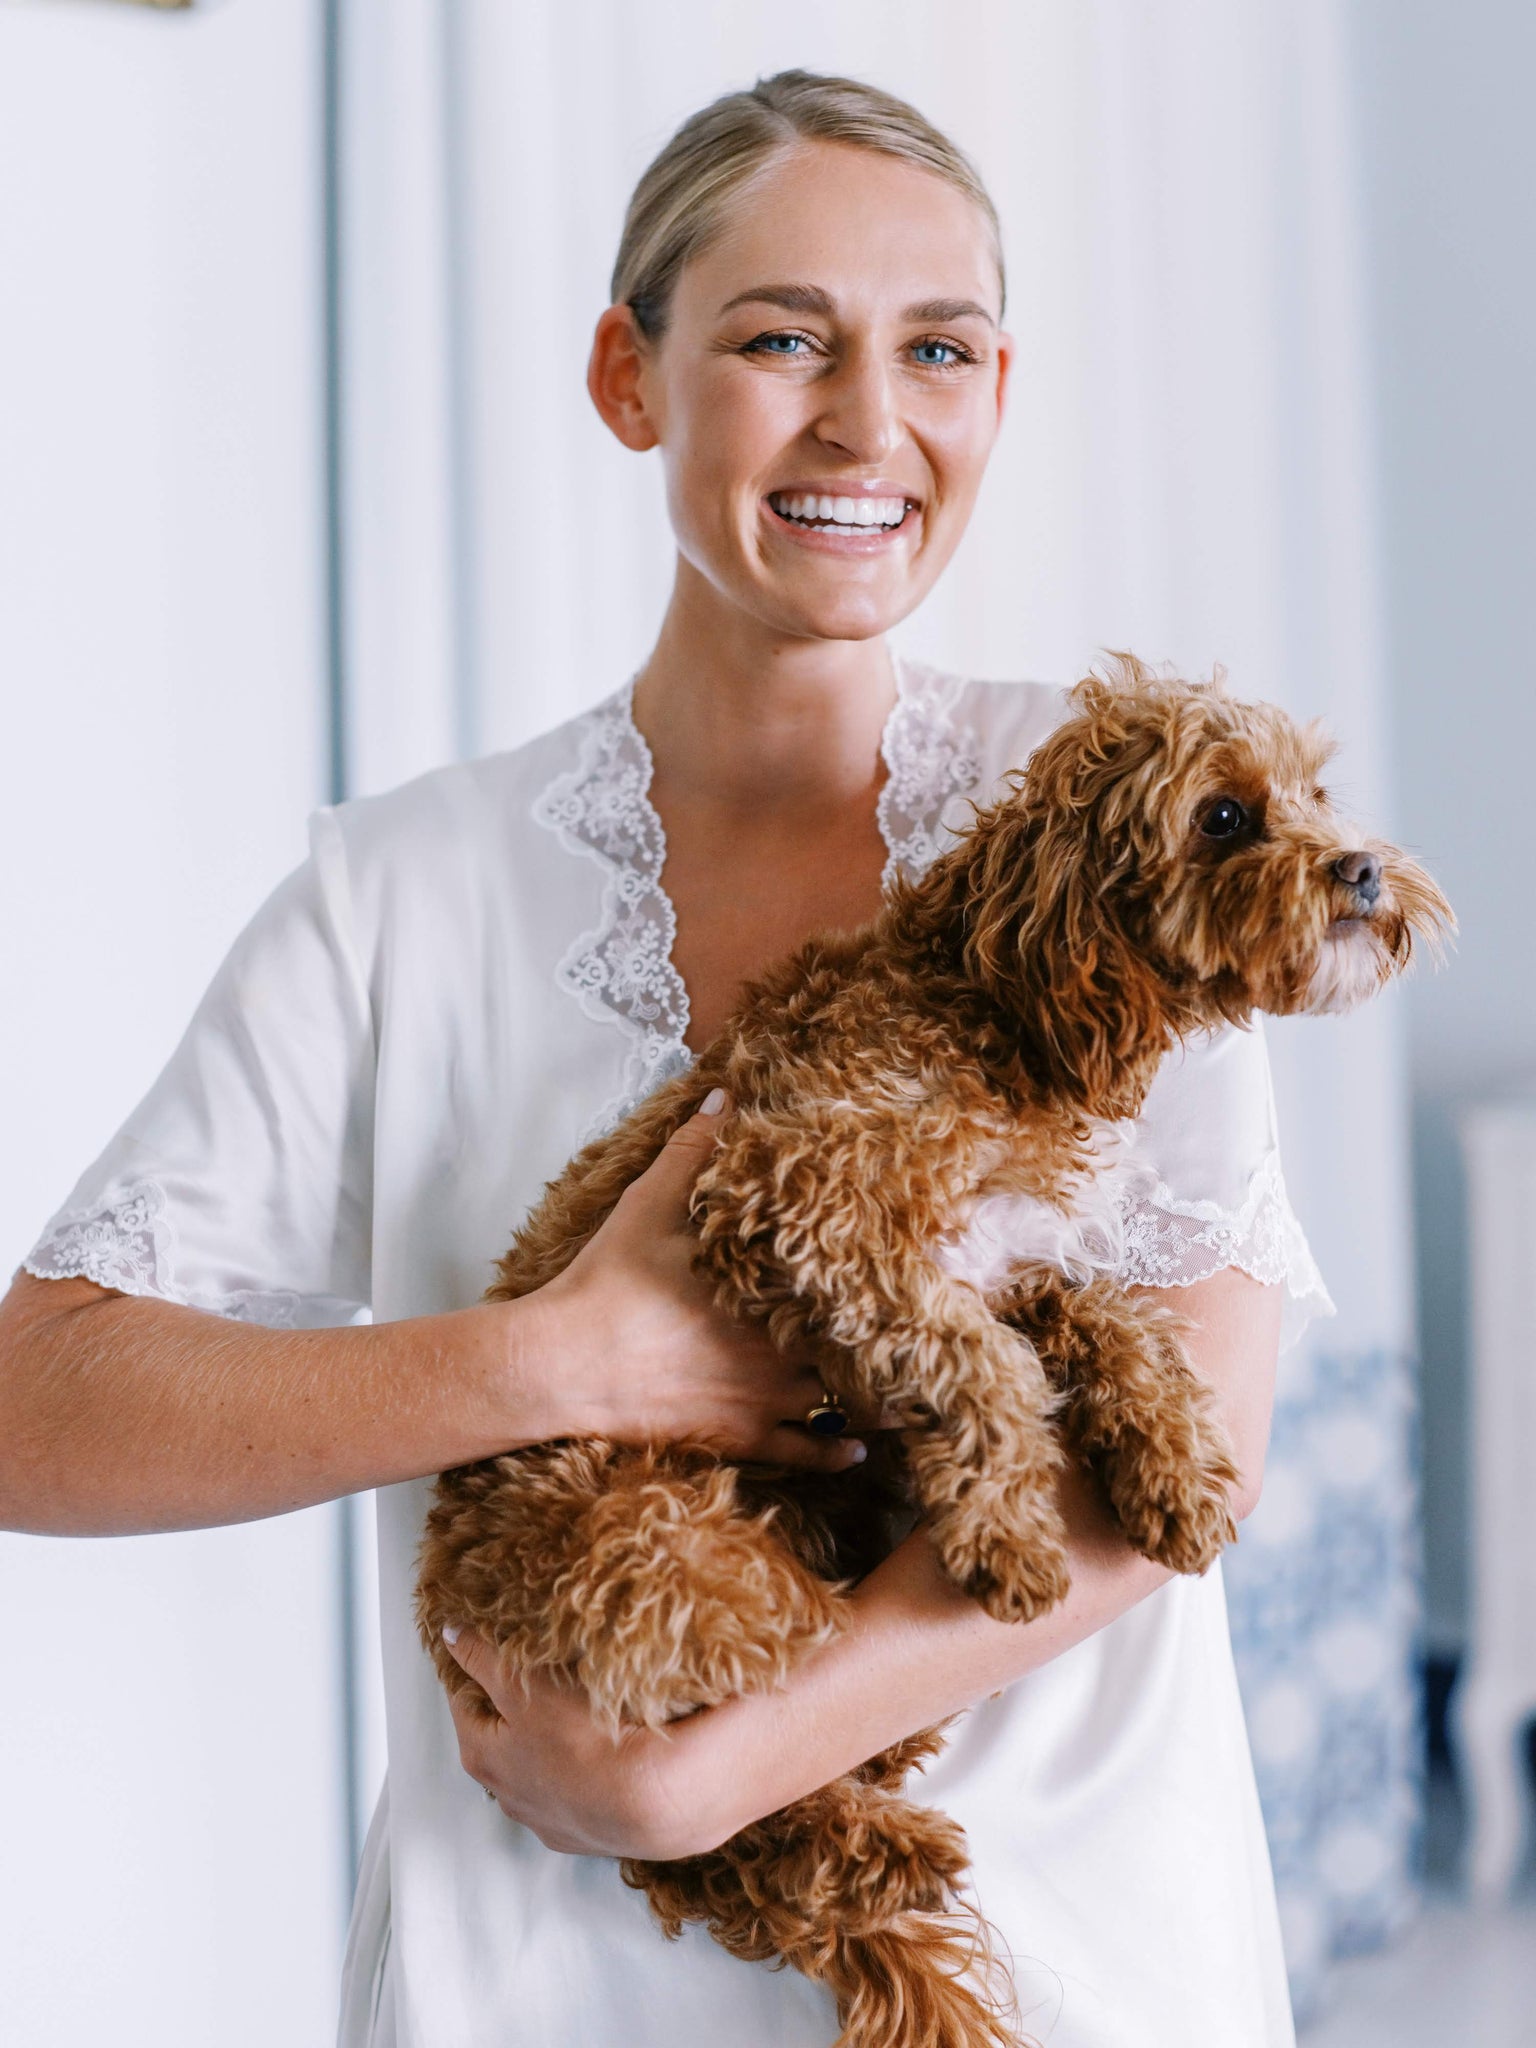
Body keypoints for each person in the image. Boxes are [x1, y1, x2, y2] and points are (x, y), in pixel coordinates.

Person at [0, 70, 1330, 2048]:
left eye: (935, 349)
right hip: (536, 1982)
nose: (866, 421)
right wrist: (554, 1360)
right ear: (629, 376)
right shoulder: (402, 895)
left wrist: (697, 1776)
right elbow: (41, 1409)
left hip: (1058, 1960)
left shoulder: (1133, 818)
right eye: (780, 337)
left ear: (996, 391)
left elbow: (1180, 1453)